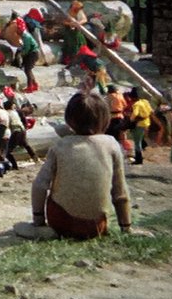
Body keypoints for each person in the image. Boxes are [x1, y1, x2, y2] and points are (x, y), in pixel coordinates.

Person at [23, 91, 132, 240]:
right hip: (95, 226)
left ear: (69, 120)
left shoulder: (60, 146)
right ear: (105, 119)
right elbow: (120, 193)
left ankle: (45, 230)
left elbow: (40, 186)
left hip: (60, 222)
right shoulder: (112, 145)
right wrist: (126, 227)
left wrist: (39, 220)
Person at [3, 90, 38, 168]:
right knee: (26, 145)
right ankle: (36, 159)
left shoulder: (11, 112)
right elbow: (23, 122)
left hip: (16, 132)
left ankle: (15, 166)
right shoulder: (16, 112)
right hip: (21, 131)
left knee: (8, 151)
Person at [126, 87, 152, 165]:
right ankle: (140, 156)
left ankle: (139, 159)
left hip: (139, 124)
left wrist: (130, 120)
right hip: (146, 123)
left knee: (137, 142)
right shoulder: (145, 102)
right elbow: (150, 110)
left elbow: (134, 115)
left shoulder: (136, 104)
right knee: (140, 140)